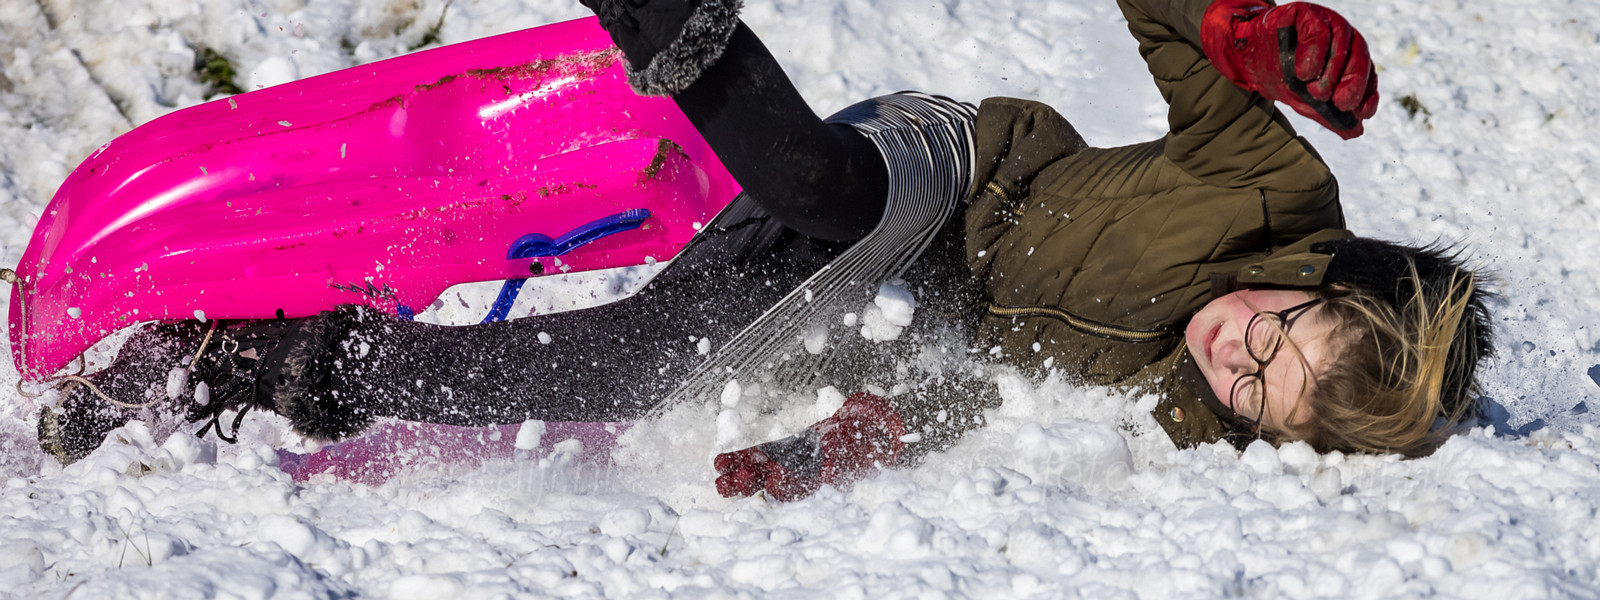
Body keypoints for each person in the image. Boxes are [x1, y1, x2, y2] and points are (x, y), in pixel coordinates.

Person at [36, 0, 1492, 503]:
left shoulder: (1186, 406)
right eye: (1281, 330)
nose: (1242, 355)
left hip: (902, 293)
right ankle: (671, 21)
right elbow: (1171, 22)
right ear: (1320, 277)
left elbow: (999, 387)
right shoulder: (1266, 182)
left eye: (1264, 396)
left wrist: (845, 442)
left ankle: (240, 358)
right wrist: (1237, 25)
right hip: (941, 168)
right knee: (804, 194)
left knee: (637, 364)